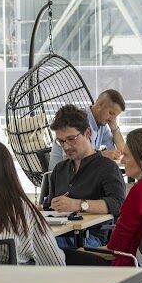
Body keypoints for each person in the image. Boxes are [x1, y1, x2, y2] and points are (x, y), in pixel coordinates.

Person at [63, 128, 142, 266]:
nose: (122, 161)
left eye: (126, 155)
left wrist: (83, 252)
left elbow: (115, 249)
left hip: (128, 271)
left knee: (64, 256)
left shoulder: (140, 192)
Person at [46, 105, 126, 248]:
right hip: (61, 234)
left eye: (71, 139)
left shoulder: (107, 167)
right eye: (61, 141)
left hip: (91, 239)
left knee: (40, 248)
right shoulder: (60, 169)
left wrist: (78, 204)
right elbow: (49, 206)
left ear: (88, 133)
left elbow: (118, 204)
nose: (66, 146)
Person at [48, 89, 126, 170]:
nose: (112, 119)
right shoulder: (77, 120)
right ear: (100, 105)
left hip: (83, 173)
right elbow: (69, 159)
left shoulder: (101, 124)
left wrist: (114, 127)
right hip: (62, 176)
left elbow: (122, 150)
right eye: (111, 113)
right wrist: (102, 155)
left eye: (115, 116)